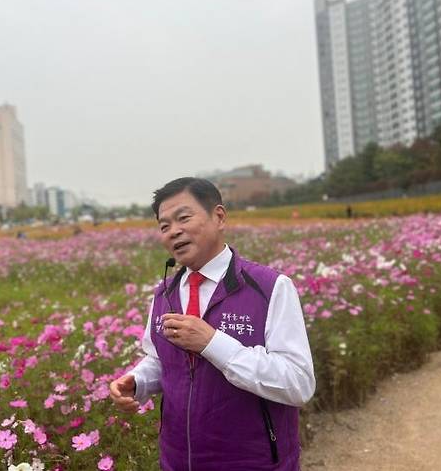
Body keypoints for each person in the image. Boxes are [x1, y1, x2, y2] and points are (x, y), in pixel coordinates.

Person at [110, 177, 315, 471]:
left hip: (254, 462)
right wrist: (138, 381)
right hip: (179, 460)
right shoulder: (164, 293)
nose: (174, 232)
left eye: (183, 218)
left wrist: (212, 343)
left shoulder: (270, 287)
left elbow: (299, 382)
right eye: (164, 226)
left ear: (219, 216)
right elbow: (159, 359)